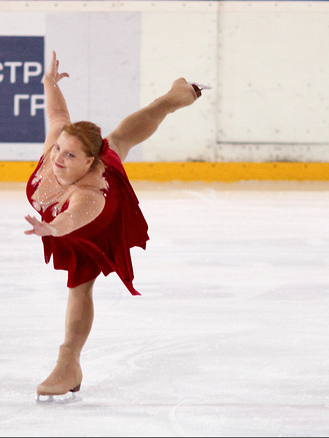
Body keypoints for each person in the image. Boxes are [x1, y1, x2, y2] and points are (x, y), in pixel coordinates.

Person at [24, 51, 206, 401]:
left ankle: (68, 362)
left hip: (94, 220)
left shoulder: (92, 193)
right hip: (71, 204)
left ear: (90, 162)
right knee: (120, 139)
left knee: (80, 281)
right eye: (59, 149)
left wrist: (52, 229)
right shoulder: (56, 148)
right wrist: (50, 84)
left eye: (70, 155)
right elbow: (58, 115)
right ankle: (173, 97)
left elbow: (72, 218)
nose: (58, 158)